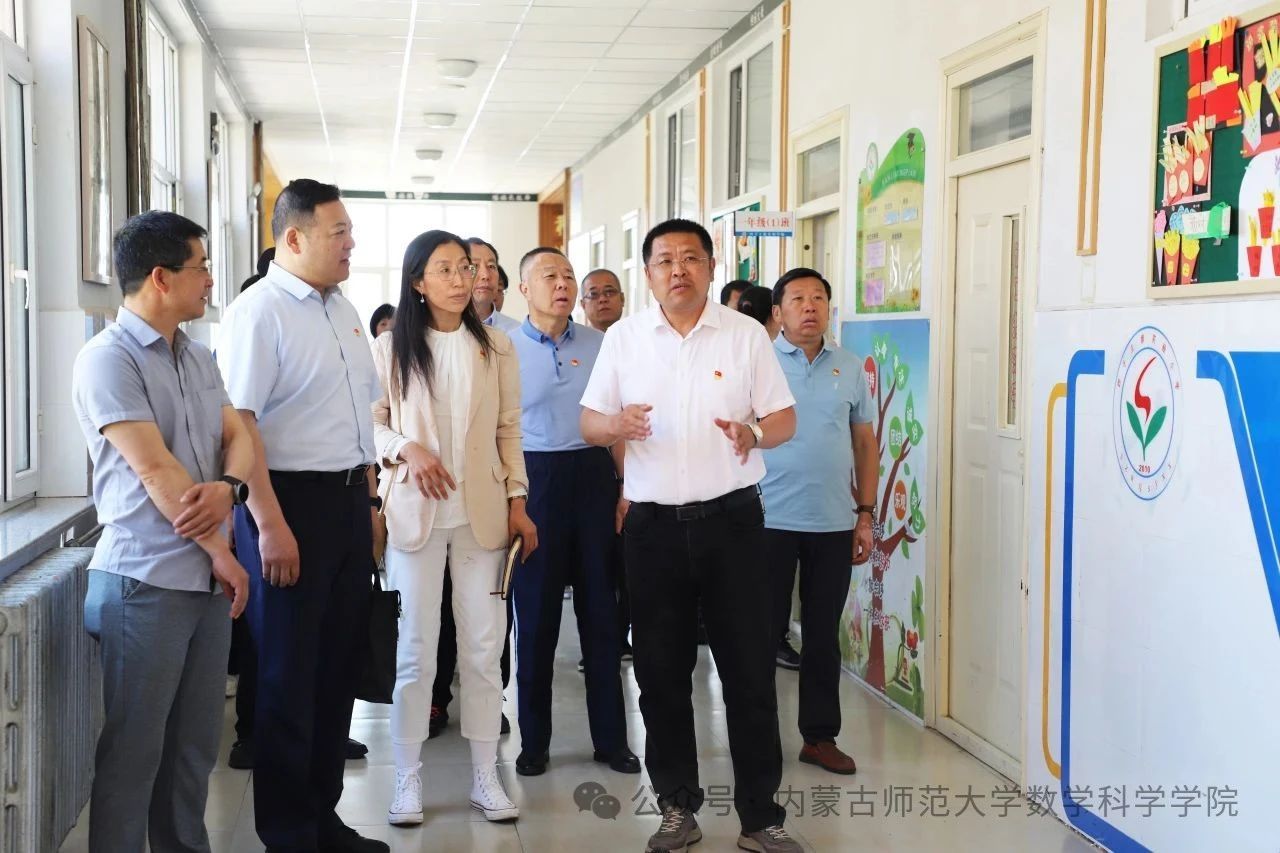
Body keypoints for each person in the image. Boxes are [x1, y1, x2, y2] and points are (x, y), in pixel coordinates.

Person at [581, 219, 801, 853]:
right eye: (665, 260)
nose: (678, 269)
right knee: (660, 676)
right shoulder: (623, 338)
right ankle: (678, 807)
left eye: (690, 258)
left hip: (734, 525)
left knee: (750, 674)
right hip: (651, 529)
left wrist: (753, 433)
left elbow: (783, 418)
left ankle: (760, 817)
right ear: (648, 273)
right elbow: (590, 421)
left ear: (710, 266)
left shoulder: (745, 335)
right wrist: (617, 425)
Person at [73, 210, 253, 852]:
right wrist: (223, 554)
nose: (210, 280)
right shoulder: (107, 359)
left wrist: (230, 487)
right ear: (160, 277)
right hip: (143, 580)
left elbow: (238, 435)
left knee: (193, 749)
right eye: (201, 267)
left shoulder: (198, 356)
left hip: (203, 582)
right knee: (135, 751)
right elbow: (154, 469)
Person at [218, 179, 388, 853]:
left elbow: (359, 417)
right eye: (338, 233)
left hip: (345, 502)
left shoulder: (342, 307)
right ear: (294, 237)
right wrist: (268, 523)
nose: (350, 245)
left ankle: (324, 819)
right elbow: (240, 427)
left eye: (350, 232)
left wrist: (369, 503)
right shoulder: (258, 312)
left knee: (336, 669)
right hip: (285, 502)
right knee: (287, 677)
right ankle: (288, 833)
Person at [373, 229, 537, 826]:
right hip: (415, 513)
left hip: (482, 515)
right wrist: (405, 449)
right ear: (417, 281)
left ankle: (485, 776)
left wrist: (518, 499)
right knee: (415, 650)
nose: (461, 278)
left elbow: (509, 429)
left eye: (466, 267)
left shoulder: (495, 345)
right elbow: (370, 423)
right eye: (443, 269)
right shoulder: (390, 347)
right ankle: (407, 777)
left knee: (484, 650)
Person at [508, 247, 638, 779]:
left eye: (567, 276)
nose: (561, 284)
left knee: (602, 617)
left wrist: (626, 487)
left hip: (593, 479)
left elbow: (616, 420)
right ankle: (534, 743)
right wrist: (512, 499)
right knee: (536, 620)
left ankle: (611, 740)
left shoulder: (600, 344)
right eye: (549, 276)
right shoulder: (502, 347)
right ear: (525, 289)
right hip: (534, 481)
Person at [760, 268, 877, 776]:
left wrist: (865, 514)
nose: (810, 307)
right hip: (765, 521)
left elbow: (864, 443)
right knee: (760, 634)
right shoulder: (758, 363)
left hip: (832, 522)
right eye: (798, 299)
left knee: (823, 635)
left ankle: (820, 737)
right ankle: (760, 739)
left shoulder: (849, 367)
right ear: (778, 312)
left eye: (818, 298)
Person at [469, 237, 520, 333]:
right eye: (474, 265)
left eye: (491, 266)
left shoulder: (514, 332)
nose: (485, 275)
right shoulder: (444, 329)